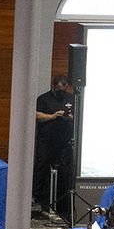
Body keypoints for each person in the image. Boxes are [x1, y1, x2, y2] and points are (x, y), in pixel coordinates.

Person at [33, 73, 75, 219]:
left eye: (63, 90)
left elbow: (77, 116)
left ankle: (63, 201)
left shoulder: (71, 98)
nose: (60, 93)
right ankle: (37, 198)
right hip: (47, 140)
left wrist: (70, 118)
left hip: (65, 141)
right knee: (42, 167)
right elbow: (35, 115)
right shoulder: (43, 99)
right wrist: (52, 116)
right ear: (53, 87)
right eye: (58, 90)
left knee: (65, 171)